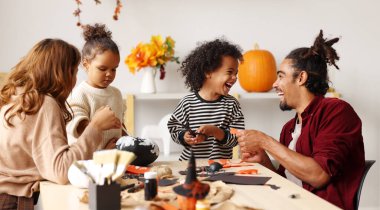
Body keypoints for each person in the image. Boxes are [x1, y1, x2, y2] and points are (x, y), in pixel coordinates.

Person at [236, 30, 365, 210]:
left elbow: (319, 176)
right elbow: (289, 182)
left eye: (281, 76)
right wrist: (264, 160)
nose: (274, 84)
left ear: (301, 78)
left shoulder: (337, 111)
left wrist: (265, 141)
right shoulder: (289, 128)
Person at [0, 39, 121, 209]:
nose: (74, 79)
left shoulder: (16, 96)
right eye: (73, 72)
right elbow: (60, 171)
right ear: (60, 73)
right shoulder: (43, 103)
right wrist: (95, 127)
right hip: (15, 200)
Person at [168, 39, 245, 161]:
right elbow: (174, 127)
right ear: (208, 72)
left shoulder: (232, 105)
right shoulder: (187, 103)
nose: (235, 77)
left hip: (221, 167)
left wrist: (215, 131)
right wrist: (184, 136)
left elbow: (236, 138)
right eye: (230, 72)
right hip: (189, 166)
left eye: (236, 73)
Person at [66, 23, 125, 150]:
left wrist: (129, 142)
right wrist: (102, 151)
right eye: (102, 68)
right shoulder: (80, 94)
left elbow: (120, 126)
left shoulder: (116, 94)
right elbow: (77, 127)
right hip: (86, 161)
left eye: (114, 69)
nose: (109, 74)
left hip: (112, 158)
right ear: (86, 64)